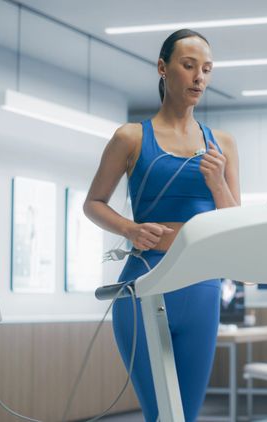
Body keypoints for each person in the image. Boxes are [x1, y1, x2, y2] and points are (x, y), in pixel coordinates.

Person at [83, 29, 240, 421]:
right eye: (188, 66)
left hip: (203, 287)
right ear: (162, 68)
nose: (199, 77)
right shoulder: (131, 137)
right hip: (143, 283)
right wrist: (130, 230)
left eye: (206, 69)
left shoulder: (222, 144)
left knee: (186, 415)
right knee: (161, 415)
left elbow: (236, 223)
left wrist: (218, 182)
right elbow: (93, 203)